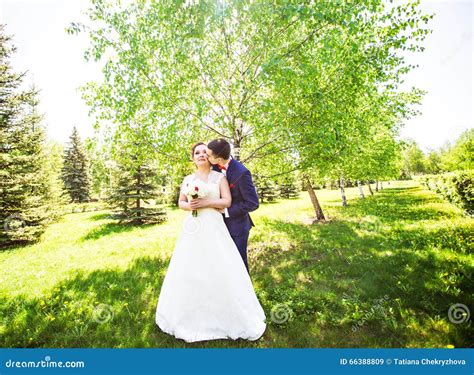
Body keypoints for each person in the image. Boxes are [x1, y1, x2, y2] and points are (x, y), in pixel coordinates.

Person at [155, 142, 266, 343]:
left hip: (216, 226)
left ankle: (232, 308)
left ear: (210, 156)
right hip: (193, 227)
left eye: (204, 152)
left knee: (224, 265)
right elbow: (180, 203)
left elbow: (227, 202)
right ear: (192, 158)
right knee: (192, 267)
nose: (201, 155)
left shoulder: (220, 177)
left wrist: (207, 203)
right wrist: (190, 205)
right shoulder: (188, 179)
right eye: (196, 153)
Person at [206, 139, 259, 274]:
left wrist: (227, 211)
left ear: (218, 159)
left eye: (209, 155)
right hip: (218, 225)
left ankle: (245, 294)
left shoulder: (242, 173)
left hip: (238, 226)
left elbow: (252, 203)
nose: (206, 157)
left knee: (239, 263)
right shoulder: (214, 167)